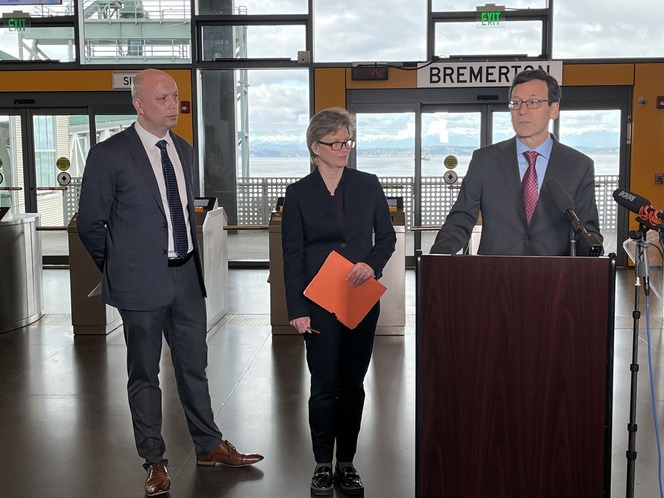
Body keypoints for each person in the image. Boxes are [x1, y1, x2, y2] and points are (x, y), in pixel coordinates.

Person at [76, 68, 263, 497]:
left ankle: (209, 444)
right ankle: (154, 461)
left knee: (194, 367)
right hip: (139, 284)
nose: (172, 104)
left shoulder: (183, 149)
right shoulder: (110, 154)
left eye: (175, 96)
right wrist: (120, 265)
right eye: (161, 98)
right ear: (138, 104)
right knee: (144, 375)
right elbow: (91, 224)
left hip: (185, 279)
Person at [281, 107, 396, 496]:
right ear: (316, 147)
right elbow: (291, 255)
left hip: (360, 298)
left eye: (347, 141)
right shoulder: (297, 194)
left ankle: (346, 462)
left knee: (353, 385)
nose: (344, 149)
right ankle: (321, 464)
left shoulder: (368, 184)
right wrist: (295, 310)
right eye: (335, 143)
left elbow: (388, 239)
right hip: (318, 304)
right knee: (323, 384)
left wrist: (371, 264)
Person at [430, 68, 603, 256]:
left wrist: (593, 259)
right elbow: (460, 219)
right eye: (516, 103)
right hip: (494, 277)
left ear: (553, 109)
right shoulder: (485, 161)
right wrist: (437, 258)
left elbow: (587, 230)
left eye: (533, 102)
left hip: (554, 278)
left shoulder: (579, 165)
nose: (522, 110)